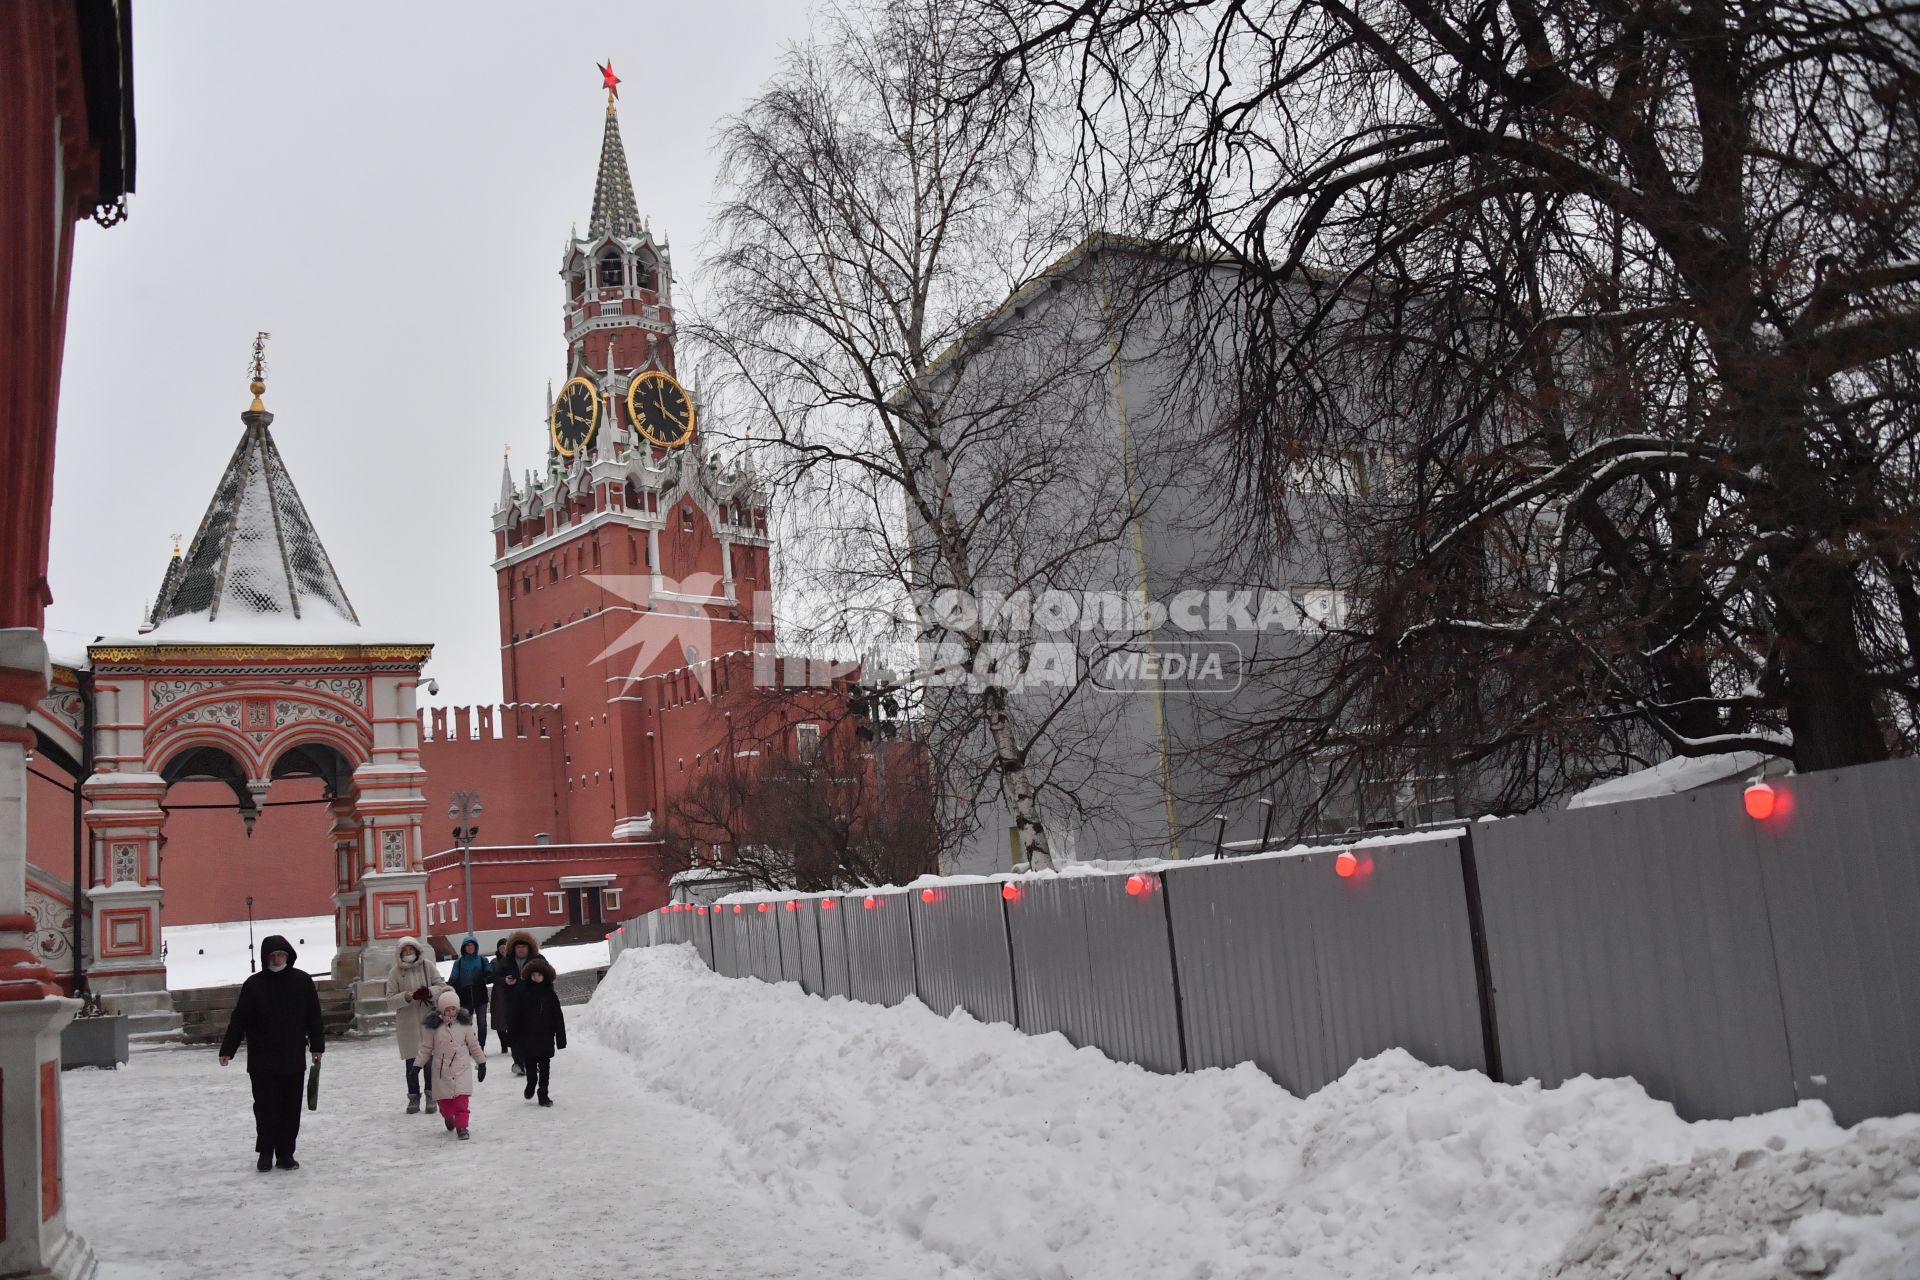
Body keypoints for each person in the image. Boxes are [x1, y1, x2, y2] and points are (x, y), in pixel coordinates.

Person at [218, 934, 324, 1172]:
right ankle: (265, 1153)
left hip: (293, 1058)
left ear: (288, 956)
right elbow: (239, 1020)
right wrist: (228, 1049)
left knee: (290, 1108)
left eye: (281, 955)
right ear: (266, 958)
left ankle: (286, 1153)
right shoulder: (253, 985)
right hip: (262, 1060)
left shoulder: (302, 981)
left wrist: (317, 1046)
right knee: (266, 1108)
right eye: (273, 956)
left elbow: (314, 1017)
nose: (277, 959)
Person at [417, 988, 487, 1140]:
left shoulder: (465, 1025)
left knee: (461, 1102)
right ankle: (448, 1117)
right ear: (442, 1010)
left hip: (461, 1069)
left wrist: (481, 1063)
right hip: (441, 1072)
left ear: (457, 1008)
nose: (450, 1012)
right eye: (447, 1009)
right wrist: (417, 1066)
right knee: (445, 1104)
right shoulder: (433, 1027)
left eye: (453, 1009)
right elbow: (426, 1048)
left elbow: (474, 1045)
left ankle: (462, 1127)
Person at [388, 936, 448, 1114]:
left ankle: (431, 1095)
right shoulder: (395, 973)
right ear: (400, 953)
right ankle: (413, 1097)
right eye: (405, 951)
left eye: (411, 950)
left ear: (416, 951)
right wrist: (407, 996)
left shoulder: (427, 966)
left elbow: (441, 986)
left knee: (430, 1062)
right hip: (407, 1025)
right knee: (411, 1064)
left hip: (427, 1020)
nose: (408, 953)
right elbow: (390, 1000)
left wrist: (429, 992)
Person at [513, 956, 565, 1107]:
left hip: (545, 1036)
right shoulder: (523, 994)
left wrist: (561, 1038)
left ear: (545, 977)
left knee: (544, 1066)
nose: (536, 978)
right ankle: (531, 1083)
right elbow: (516, 1015)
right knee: (530, 1063)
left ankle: (543, 1093)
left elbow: (558, 1017)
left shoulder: (550, 995)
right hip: (527, 1036)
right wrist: (514, 1035)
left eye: (539, 975)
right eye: (533, 975)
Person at [502, 931, 543, 1076]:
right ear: (513, 948)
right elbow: (496, 976)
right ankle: (519, 1062)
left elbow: (547, 976)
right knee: (515, 1033)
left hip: (532, 1003)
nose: (520, 949)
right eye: (518, 946)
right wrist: (505, 981)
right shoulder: (506, 961)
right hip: (512, 1003)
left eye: (523, 946)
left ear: (529, 947)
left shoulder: (537, 960)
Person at [448, 936, 491, 1049]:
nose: (470, 947)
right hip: (465, 997)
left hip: (480, 996)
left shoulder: (482, 960)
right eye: (467, 945)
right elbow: (453, 978)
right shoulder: (459, 962)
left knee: (482, 1023)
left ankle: (481, 1046)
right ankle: (470, 1046)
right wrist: (447, 988)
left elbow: (491, 975)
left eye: (472, 945)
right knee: (466, 1025)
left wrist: (484, 978)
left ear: (476, 947)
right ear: (464, 947)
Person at [489, 937, 516, 1069]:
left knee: (511, 1017)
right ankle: (504, 1044)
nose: (503, 950)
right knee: (499, 1018)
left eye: (505, 948)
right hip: (499, 991)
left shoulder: (513, 960)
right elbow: (492, 977)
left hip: (511, 990)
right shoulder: (494, 962)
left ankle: (511, 1042)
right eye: (501, 948)